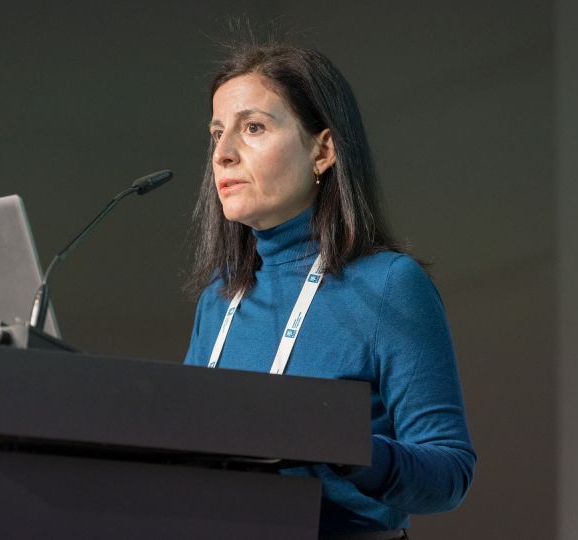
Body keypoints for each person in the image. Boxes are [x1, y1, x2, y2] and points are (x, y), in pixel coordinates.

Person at [183, 42, 476, 538]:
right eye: (217, 132)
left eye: (252, 128)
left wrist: (347, 447)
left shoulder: (388, 285)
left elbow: (450, 473)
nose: (222, 153)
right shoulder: (220, 298)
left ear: (323, 150)